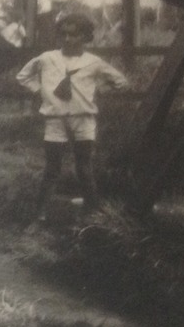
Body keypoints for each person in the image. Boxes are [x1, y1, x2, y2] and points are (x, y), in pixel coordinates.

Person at [16, 11, 129, 217]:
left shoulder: (93, 62)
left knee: (84, 167)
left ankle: (92, 211)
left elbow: (120, 81)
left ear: (85, 37)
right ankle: (40, 212)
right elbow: (23, 76)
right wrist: (40, 91)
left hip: (83, 119)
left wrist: (99, 89)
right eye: (64, 34)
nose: (68, 39)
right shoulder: (48, 58)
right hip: (55, 119)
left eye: (75, 35)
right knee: (52, 168)